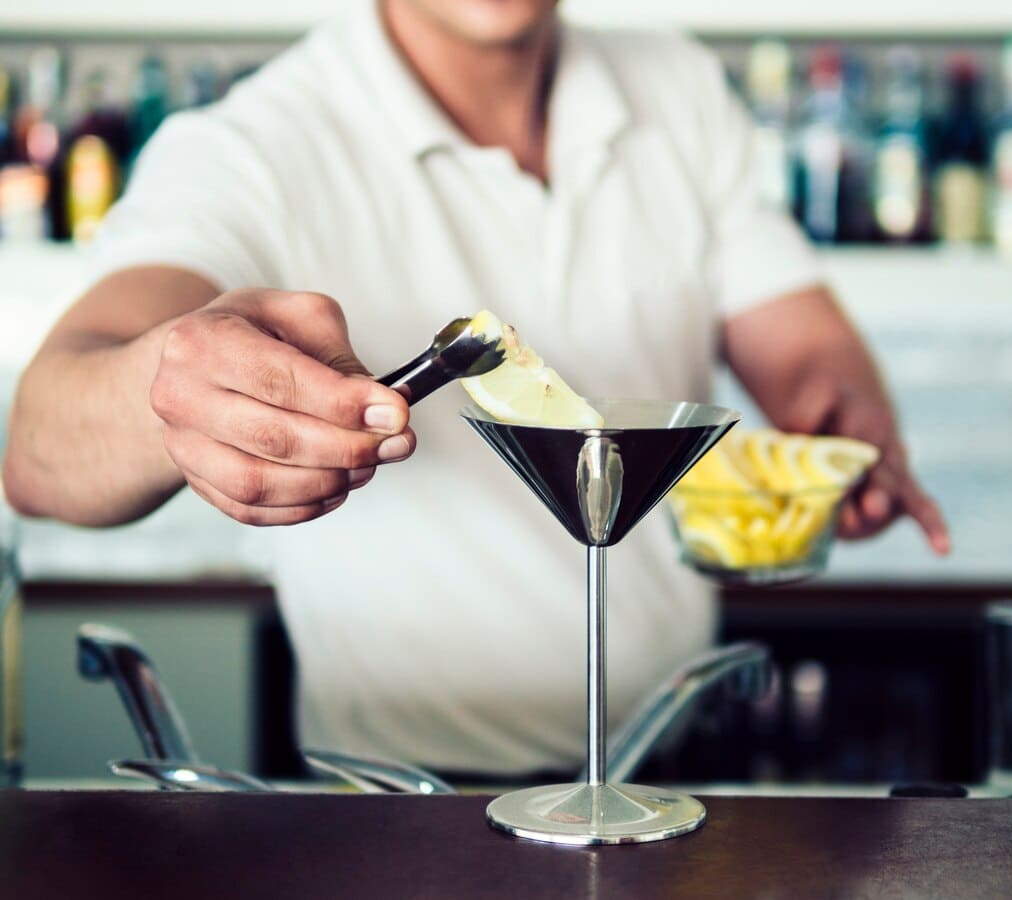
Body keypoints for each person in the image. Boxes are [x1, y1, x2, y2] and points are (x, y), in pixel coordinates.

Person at [1, 0, 949, 777]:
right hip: (400, 803)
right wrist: (170, 384)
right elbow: (39, 454)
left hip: (686, 763)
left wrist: (845, 434)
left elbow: (805, 349)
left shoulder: (677, 84)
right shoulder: (251, 145)